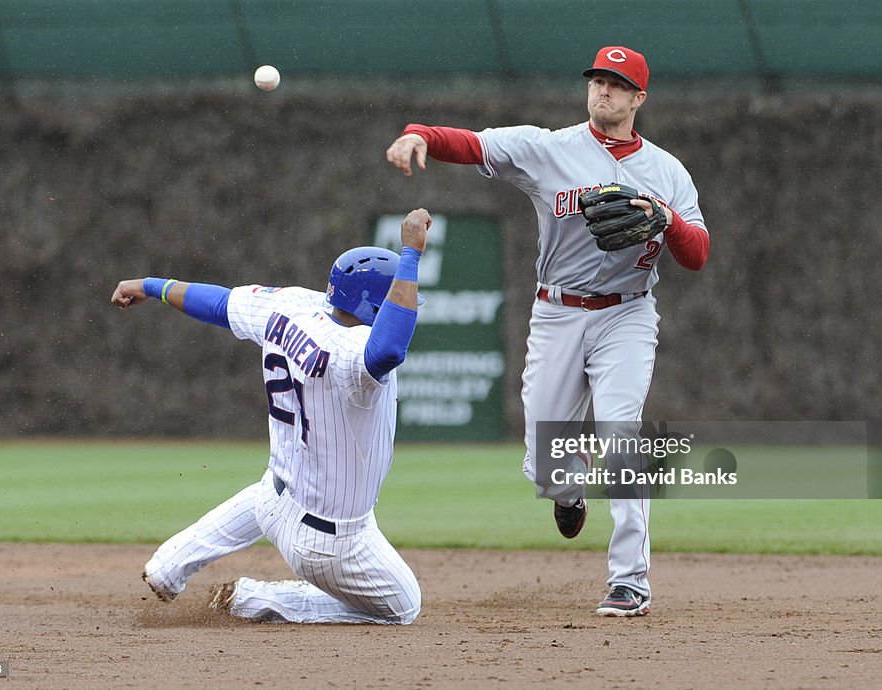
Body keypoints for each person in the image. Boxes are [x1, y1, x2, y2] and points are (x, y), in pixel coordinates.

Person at [386, 46, 709, 616]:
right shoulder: (549, 149)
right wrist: (420, 135)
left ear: (639, 98)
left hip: (627, 314)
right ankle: (568, 487)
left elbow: (698, 254)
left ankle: (630, 579)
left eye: (616, 83)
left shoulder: (667, 171)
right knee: (545, 468)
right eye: (596, 80)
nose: (602, 90)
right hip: (558, 313)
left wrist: (670, 220)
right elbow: (477, 144)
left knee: (620, 436)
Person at [111, 208, 433, 624]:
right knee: (404, 607)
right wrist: (410, 254)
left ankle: (169, 567)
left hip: (274, 497)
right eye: (394, 299)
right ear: (372, 306)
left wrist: (151, 286)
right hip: (329, 542)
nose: (407, 306)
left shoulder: (291, 306)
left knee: (269, 495)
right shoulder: (355, 354)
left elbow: (219, 303)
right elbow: (390, 347)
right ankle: (251, 598)